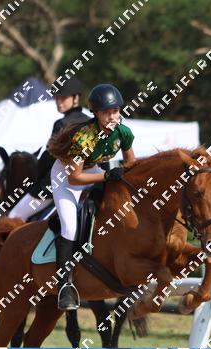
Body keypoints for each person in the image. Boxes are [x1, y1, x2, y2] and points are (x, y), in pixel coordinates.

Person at [46, 83, 135, 311]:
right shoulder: (85, 137)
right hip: (66, 177)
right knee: (69, 228)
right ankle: (64, 286)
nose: (112, 116)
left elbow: (131, 165)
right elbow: (75, 178)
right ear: (95, 113)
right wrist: (106, 176)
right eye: (106, 112)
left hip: (92, 170)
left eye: (115, 111)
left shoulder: (123, 132)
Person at [9, 76, 90, 221]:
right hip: (86, 183)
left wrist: (36, 175)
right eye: (57, 98)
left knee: (13, 216)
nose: (58, 102)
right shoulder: (90, 122)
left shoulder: (62, 124)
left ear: (76, 98)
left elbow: (49, 157)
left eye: (63, 98)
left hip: (54, 187)